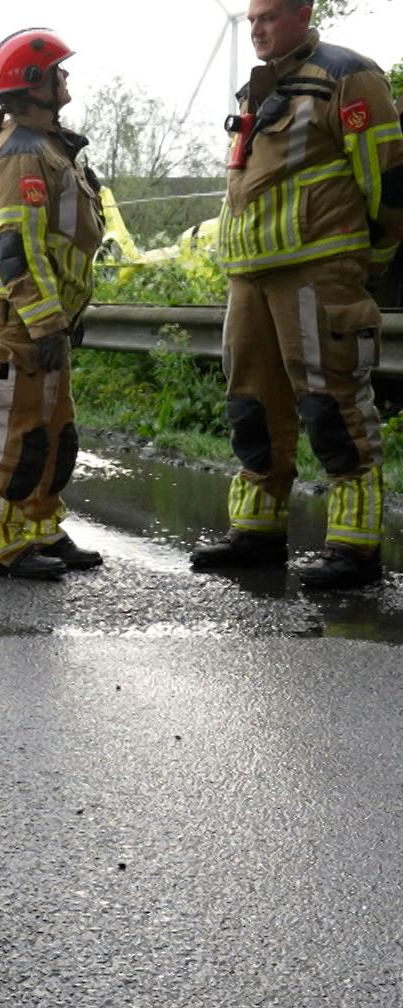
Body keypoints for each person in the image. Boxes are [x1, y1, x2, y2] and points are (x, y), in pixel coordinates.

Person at [189, 0, 403, 589]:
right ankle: (257, 534)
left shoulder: (348, 75)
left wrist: (367, 262)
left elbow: (389, 180)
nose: (256, 27)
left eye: (270, 17)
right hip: (249, 275)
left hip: (319, 271)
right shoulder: (252, 90)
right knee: (250, 407)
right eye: (253, 18)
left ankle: (355, 550)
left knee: (332, 407)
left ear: (305, 13)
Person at [0, 29, 105, 579]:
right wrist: (46, 320)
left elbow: (59, 242)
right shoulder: (22, 153)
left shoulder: (47, 145)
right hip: (17, 314)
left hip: (41, 315)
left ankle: (38, 525)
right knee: (14, 432)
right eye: (57, 70)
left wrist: (65, 315)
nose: (66, 76)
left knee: (53, 429)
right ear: (33, 83)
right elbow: (15, 246)